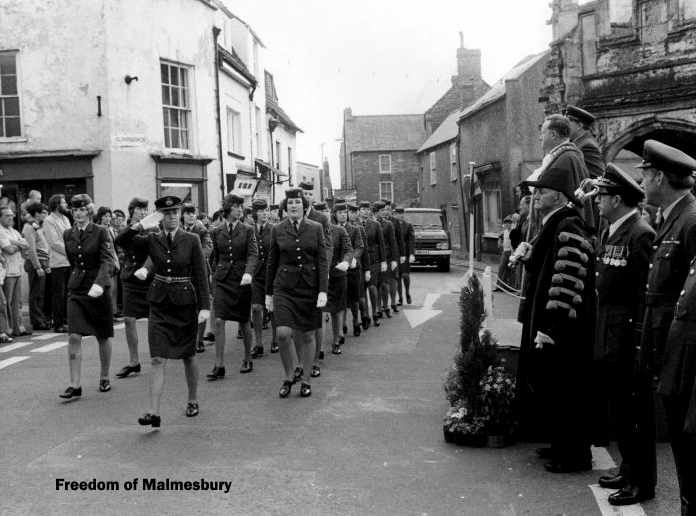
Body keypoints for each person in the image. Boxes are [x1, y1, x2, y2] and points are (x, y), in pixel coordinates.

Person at [514, 166, 596, 473]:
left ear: (559, 196)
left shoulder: (569, 224)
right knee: (552, 385)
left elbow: (568, 282)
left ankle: (574, 454)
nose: (536, 196)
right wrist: (527, 254)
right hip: (551, 323)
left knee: (565, 387)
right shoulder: (555, 221)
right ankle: (560, 443)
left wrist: (550, 328)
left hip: (562, 327)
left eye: (542, 191)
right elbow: (545, 266)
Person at [591, 164, 656, 506]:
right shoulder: (610, 232)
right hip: (608, 336)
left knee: (635, 415)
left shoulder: (640, 233)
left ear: (617, 199)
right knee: (619, 412)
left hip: (627, 340)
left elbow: (642, 297)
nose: (597, 200)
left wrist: (637, 344)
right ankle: (629, 469)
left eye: (602, 195)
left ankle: (642, 481)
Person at [637, 140, 696, 512]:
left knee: (689, 446)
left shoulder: (690, 221)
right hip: (669, 351)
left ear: (659, 176)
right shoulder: (673, 217)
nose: (641, 182)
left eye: (644, 175)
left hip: (686, 357)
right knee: (680, 443)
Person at [115, 196, 210, 426]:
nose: (173, 217)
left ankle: (192, 399)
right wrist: (141, 224)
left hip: (185, 303)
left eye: (175, 212)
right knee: (157, 358)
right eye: (167, 213)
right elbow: (121, 240)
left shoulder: (192, 239)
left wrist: (205, 307)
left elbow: (200, 275)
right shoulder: (152, 239)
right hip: (159, 303)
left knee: (188, 355)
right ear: (159, 216)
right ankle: (154, 412)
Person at [266, 188, 328, 398]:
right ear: (285, 207)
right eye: (290, 203)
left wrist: (323, 291)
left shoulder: (316, 227)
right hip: (284, 287)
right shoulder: (278, 229)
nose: (293, 206)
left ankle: (306, 380)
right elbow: (272, 262)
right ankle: (288, 375)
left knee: (308, 334)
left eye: (297, 203)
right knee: (283, 333)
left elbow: (321, 260)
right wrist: (268, 294)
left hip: (309, 287)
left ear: (304, 206)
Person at [58, 194, 117, 399]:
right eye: (75, 211)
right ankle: (75, 384)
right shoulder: (68, 234)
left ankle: (104, 376)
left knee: (102, 334)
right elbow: (73, 261)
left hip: (98, 287)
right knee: (74, 335)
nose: (79, 214)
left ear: (90, 211)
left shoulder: (101, 232)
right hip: (77, 288)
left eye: (83, 210)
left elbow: (108, 260)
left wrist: (99, 284)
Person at [207, 194, 258, 379]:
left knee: (244, 320)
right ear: (228, 209)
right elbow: (214, 258)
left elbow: (253, 254)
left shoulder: (248, 230)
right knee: (219, 320)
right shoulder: (216, 231)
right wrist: (214, 278)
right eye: (236, 206)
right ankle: (219, 365)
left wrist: (248, 273)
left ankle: (247, 358)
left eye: (241, 206)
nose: (239, 209)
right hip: (222, 280)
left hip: (241, 279)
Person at [114, 198, 155, 379]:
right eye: (139, 209)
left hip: (149, 277)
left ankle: (157, 356)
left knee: (154, 319)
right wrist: (138, 226)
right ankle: (134, 362)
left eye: (145, 209)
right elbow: (120, 240)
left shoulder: (154, 228)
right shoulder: (128, 229)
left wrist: (145, 269)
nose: (143, 212)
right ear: (131, 211)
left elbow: (155, 251)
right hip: (131, 277)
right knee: (129, 319)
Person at [313, 202, 352, 378]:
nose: (325, 213)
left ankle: (336, 341)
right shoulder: (312, 229)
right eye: (321, 211)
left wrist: (346, 261)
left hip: (337, 275)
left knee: (336, 311)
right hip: (319, 277)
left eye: (327, 210)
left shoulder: (340, 231)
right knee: (320, 312)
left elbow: (348, 249)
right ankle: (319, 347)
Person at [181, 203, 213, 353]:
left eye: (193, 213)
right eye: (187, 213)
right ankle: (186, 338)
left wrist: (191, 259)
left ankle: (199, 339)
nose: (191, 215)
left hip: (199, 272)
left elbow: (208, 248)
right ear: (183, 215)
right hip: (183, 274)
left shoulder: (202, 230)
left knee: (202, 305)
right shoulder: (178, 230)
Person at [42, 194, 72, 333]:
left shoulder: (66, 218)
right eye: (63, 202)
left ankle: (67, 320)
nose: (66, 204)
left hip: (68, 261)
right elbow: (54, 242)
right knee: (58, 294)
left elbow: (71, 236)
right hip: (58, 262)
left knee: (68, 293)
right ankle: (58, 323)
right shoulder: (49, 220)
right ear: (56, 204)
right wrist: (69, 251)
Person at [249, 199, 274, 357]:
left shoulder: (275, 229)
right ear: (255, 213)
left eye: (267, 210)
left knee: (273, 308)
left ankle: (276, 340)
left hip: (272, 273)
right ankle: (258, 344)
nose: (265, 213)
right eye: (261, 210)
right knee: (256, 308)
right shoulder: (249, 230)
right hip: (256, 275)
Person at [0, 206, 30, 337]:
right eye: (7, 215)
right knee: (7, 301)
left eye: (11, 215)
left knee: (18, 302)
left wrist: (15, 243)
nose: (10, 217)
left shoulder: (14, 231)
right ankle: (9, 329)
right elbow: (9, 250)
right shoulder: (1, 232)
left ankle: (19, 328)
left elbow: (26, 246)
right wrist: (19, 244)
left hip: (18, 269)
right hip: (7, 271)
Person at [22, 202, 51, 331]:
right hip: (36, 262)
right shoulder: (29, 228)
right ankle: (37, 321)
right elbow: (31, 249)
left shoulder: (37, 226)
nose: (46, 215)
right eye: (44, 213)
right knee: (35, 293)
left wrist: (47, 264)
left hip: (43, 261)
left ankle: (41, 318)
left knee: (41, 293)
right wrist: (38, 267)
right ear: (37, 213)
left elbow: (44, 245)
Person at [338, 203, 365, 337]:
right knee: (341, 297)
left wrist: (353, 258)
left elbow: (359, 246)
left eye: (344, 212)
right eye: (339, 212)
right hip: (338, 268)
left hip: (353, 269)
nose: (343, 215)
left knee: (354, 298)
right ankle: (342, 324)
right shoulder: (332, 229)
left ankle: (355, 320)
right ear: (335, 214)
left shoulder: (355, 229)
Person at [358, 200, 387, 328]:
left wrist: (384, 261)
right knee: (361, 288)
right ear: (358, 211)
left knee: (371, 286)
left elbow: (381, 244)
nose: (366, 211)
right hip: (359, 260)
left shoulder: (375, 225)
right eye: (363, 209)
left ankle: (375, 312)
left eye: (368, 209)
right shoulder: (353, 224)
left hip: (373, 259)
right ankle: (365, 315)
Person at [93, 206, 121, 321]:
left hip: (112, 260)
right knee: (106, 288)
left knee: (113, 288)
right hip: (103, 262)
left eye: (109, 216)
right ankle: (104, 313)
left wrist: (116, 260)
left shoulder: (109, 229)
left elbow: (112, 247)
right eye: (105, 216)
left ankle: (111, 312)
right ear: (100, 217)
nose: (108, 218)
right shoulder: (98, 229)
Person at [564, 105, 605, 179]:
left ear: (579, 126)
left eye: (567, 123)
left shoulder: (587, 145)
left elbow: (598, 177)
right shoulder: (579, 142)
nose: (564, 126)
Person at [348, 203, 371, 328]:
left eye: (355, 212)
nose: (354, 214)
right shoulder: (337, 227)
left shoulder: (359, 228)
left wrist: (367, 269)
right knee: (347, 298)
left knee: (360, 296)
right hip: (344, 267)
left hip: (357, 267)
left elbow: (364, 250)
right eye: (351, 212)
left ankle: (363, 315)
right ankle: (346, 324)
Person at [374, 201, 398, 318]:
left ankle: (386, 306)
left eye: (385, 210)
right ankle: (378, 308)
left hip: (386, 257)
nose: (384, 212)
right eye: (381, 210)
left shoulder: (388, 224)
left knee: (384, 283)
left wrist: (394, 259)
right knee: (376, 285)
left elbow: (393, 242)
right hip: (373, 258)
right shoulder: (370, 223)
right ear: (376, 212)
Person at [382, 199, 405, 313]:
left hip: (393, 254)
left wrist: (402, 255)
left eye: (388, 209)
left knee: (392, 279)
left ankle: (393, 302)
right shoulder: (376, 221)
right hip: (381, 255)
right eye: (384, 209)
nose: (386, 211)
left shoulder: (395, 221)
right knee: (382, 281)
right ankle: (383, 304)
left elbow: (400, 239)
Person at [392, 207, 414, 304]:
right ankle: (400, 298)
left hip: (405, 254)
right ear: (395, 214)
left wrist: (412, 254)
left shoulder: (408, 226)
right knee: (398, 277)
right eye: (399, 213)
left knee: (405, 275)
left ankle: (407, 293)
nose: (401, 215)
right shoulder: (392, 225)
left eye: (402, 213)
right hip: (395, 254)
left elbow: (412, 240)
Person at [495, 216, 514, 291]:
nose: (507, 225)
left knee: (509, 269)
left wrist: (513, 253)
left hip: (510, 252)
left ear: (511, 224)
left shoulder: (512, 231)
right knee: (502, 269)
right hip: (505, 251)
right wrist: (500, 242)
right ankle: (499, 286)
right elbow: (500, 237)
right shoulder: (505, 231)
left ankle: (509, 286)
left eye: (509, 223)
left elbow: (513, 242)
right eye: (506, 223)